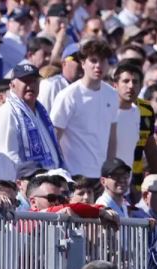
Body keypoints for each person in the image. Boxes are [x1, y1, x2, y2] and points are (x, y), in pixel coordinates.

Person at [50, 38, 119, 178]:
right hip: (73, 176)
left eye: (102, 61)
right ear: (83, 63)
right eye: (93, 60)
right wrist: (59, 173)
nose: (98, 66)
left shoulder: (112, 94)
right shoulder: (68, 95)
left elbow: (112, 137)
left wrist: (109, 171)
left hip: (101, 177)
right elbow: (53, 138)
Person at [0, 62, 64, 173]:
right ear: (12, 85)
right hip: (28, 179)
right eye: (25, 81)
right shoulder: (7, 112)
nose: (30, 86)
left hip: (52, 176)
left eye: (34, 81)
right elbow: (7, 156)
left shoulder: (40, 110)